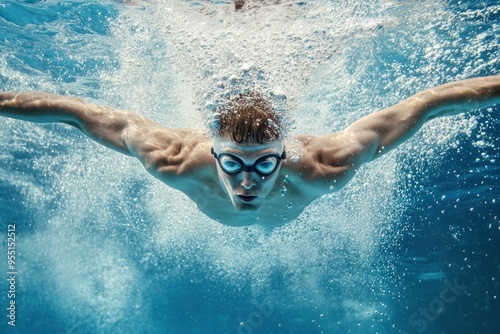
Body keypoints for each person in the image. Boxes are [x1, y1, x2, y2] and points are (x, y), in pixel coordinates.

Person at [1, 75, 499, 226]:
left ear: (283, 156)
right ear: (214, 155)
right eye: (234, 162)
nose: (248, 180)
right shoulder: (171, 159)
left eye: (264, 162)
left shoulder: (325, 165)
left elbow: (430, 101)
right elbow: (73, 110)